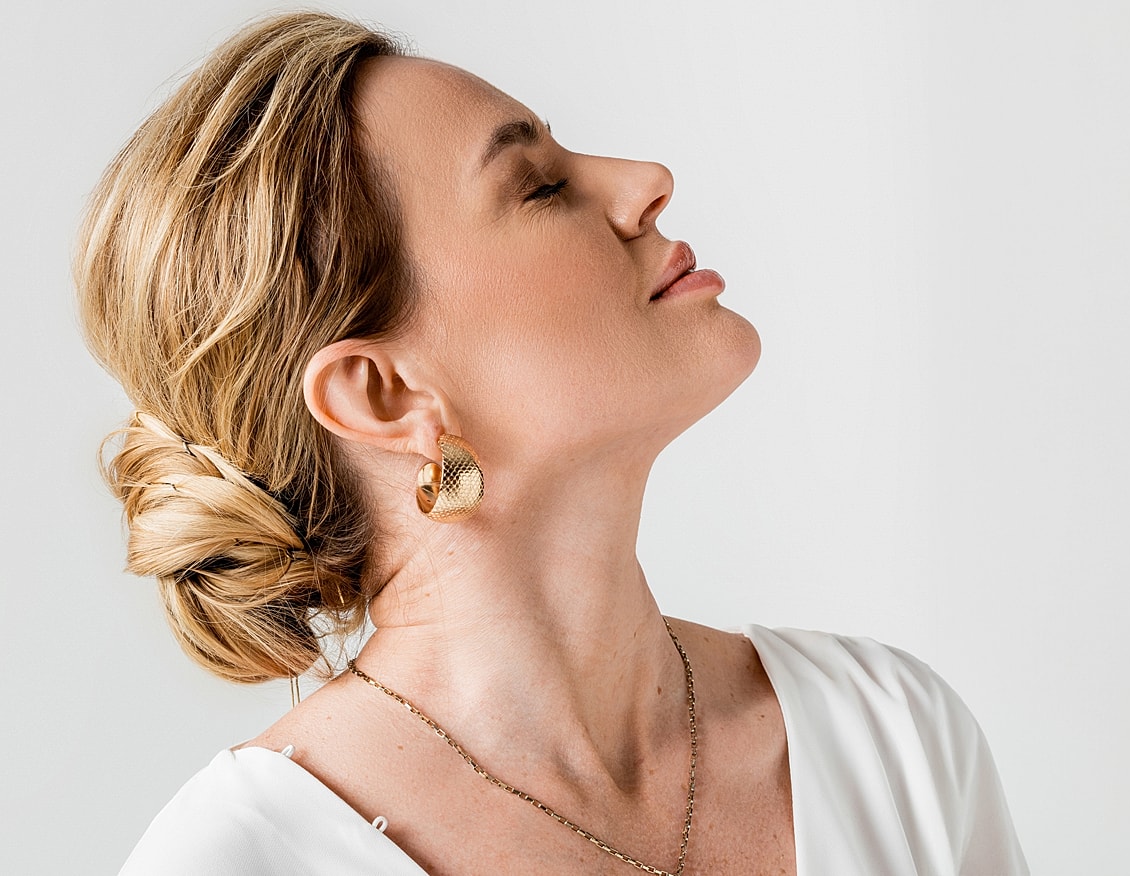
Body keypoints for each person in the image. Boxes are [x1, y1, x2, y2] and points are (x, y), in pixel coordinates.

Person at [78, 12, 1027, 875]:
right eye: (538, 186)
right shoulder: (239, 862)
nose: (647, 184)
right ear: (383, 392)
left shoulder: (890, 738)